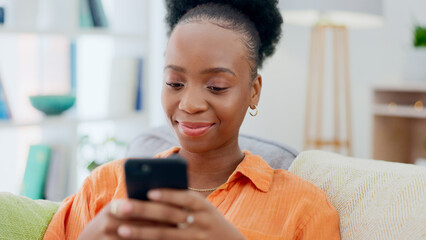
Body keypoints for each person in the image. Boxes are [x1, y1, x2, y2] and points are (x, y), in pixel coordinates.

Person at [44, 0, 340, 239]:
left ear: (254, 91)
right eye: (175, 83)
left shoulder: (302, 208)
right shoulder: (104, 187)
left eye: (216, 87)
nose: (190, 104)